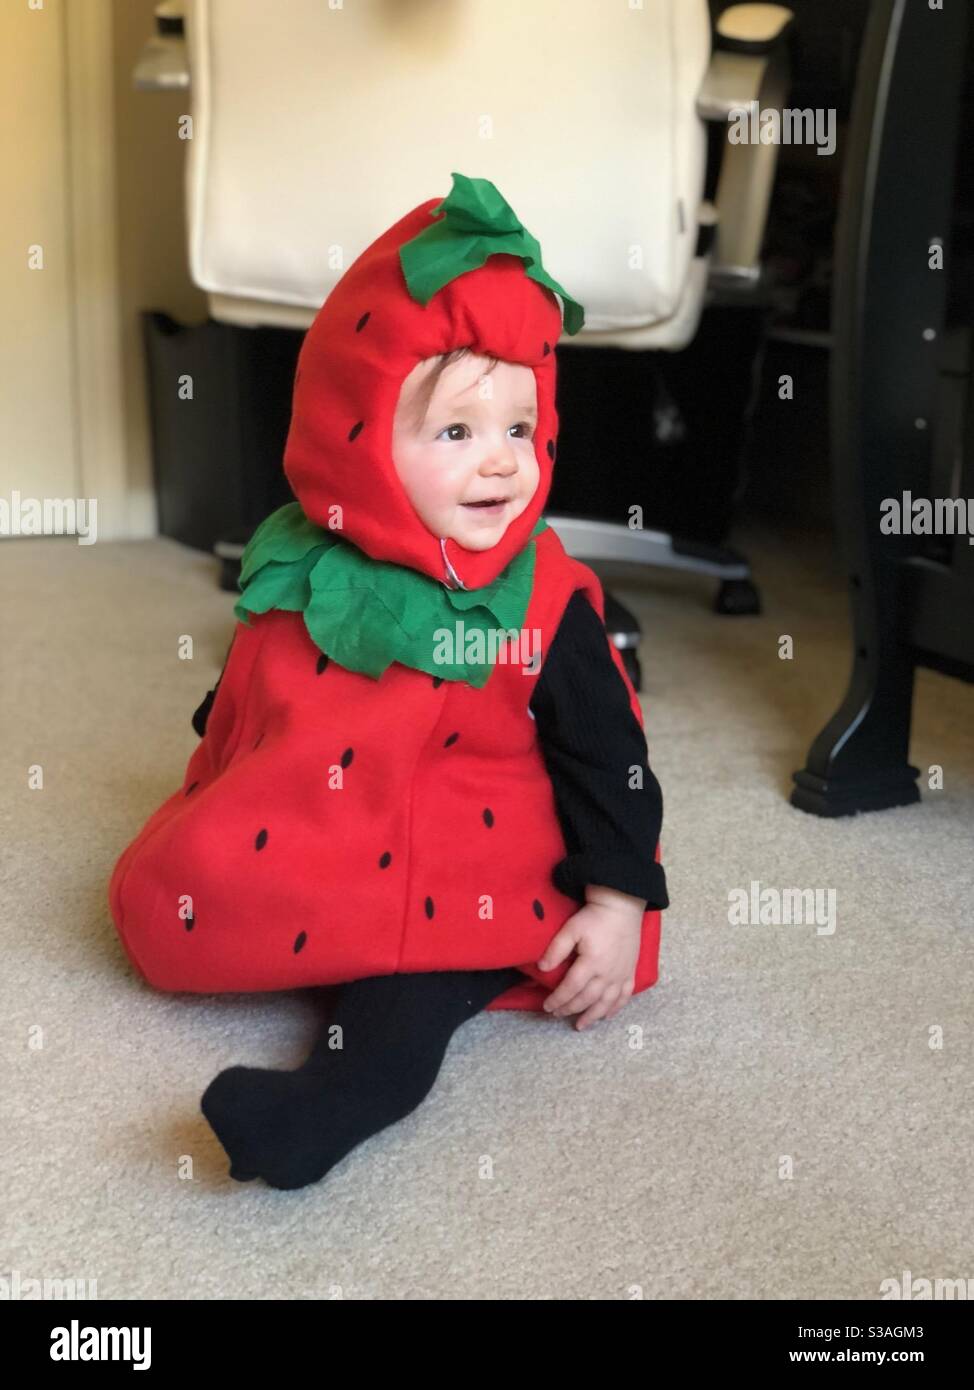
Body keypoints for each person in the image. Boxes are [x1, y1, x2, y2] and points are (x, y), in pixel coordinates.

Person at [108, 174, 669, 1190]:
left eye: (517, 427)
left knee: (398, 1007)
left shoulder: (544, 604)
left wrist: (618, 898)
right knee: (169, 894)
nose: (499, 464)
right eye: (454, 432)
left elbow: (609, 759)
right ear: (353, 435)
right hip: (340, 812)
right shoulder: (305, 562)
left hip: (477, 866)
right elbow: (261, 685)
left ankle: (320, 1114)